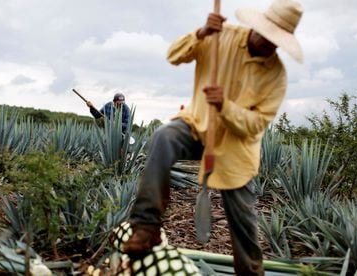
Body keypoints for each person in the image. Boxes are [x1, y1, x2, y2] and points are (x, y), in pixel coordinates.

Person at [122, 0, 303, 275]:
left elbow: (255, 125)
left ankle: (250, 272)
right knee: (164, 136)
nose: (268, 43)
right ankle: (146, 227)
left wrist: (226, 107)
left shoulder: (275, 76)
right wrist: (202, 33)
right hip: (197, 126)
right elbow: (173, 55)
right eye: (266, 35)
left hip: (235, 148)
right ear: (256, 26)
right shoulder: (222, 36)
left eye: (275, 41)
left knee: (243, 220)